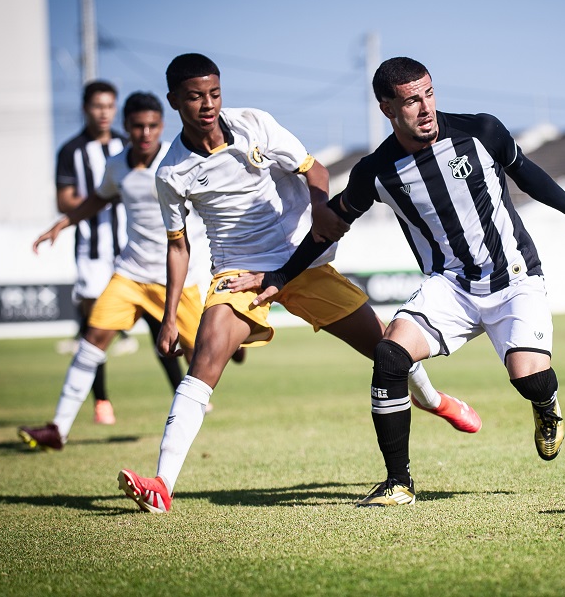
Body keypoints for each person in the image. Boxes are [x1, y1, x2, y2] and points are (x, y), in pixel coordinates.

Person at [117, 54, 480, 514]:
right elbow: (178, 246)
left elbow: (315, 170)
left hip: (298, 261)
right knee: (204, 360)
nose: (207, 105)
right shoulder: (171, 172)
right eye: (194, 97)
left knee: (387, 349)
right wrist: (169, 318)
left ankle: (433, 399)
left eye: (214, 93)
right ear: (175, 101)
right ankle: (162, 485)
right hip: (238, 275)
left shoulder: (255, 125)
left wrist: (320, 208)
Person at [233, 57, 565, 506]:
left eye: (429, 94)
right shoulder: (377, 171)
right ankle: (398, 482)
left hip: (516, 280)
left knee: (529, 380)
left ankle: (546, 407)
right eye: (411, 101)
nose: (425, 108)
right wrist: (281, 275)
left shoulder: (481, 132)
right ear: (387, 108)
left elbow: (525, 170)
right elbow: (330, 227)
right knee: (389, 354)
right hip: (450, 286)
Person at [19, 92, 210, 451]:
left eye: (152, 125)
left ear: (161, 125)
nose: (145, 133)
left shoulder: (182, 160)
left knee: (204, 351)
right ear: (127, 127)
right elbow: (99, 198)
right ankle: (58, 429)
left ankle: (229, 348)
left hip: (179, 278)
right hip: (131, 274)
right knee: (92, 340)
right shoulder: (118, 165)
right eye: (138, 126)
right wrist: (62, 224)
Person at [55, 80, 128, 424]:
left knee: (161, 321)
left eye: (109, 106)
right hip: (92, 250)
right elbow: (64, 201)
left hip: (132, 248)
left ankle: (185, 391)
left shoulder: (127, 144)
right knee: (95, 327)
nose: (104, 113)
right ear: (86, 108)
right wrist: (103, 197)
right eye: (98, 106)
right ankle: (102, 401)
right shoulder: (71, 150)